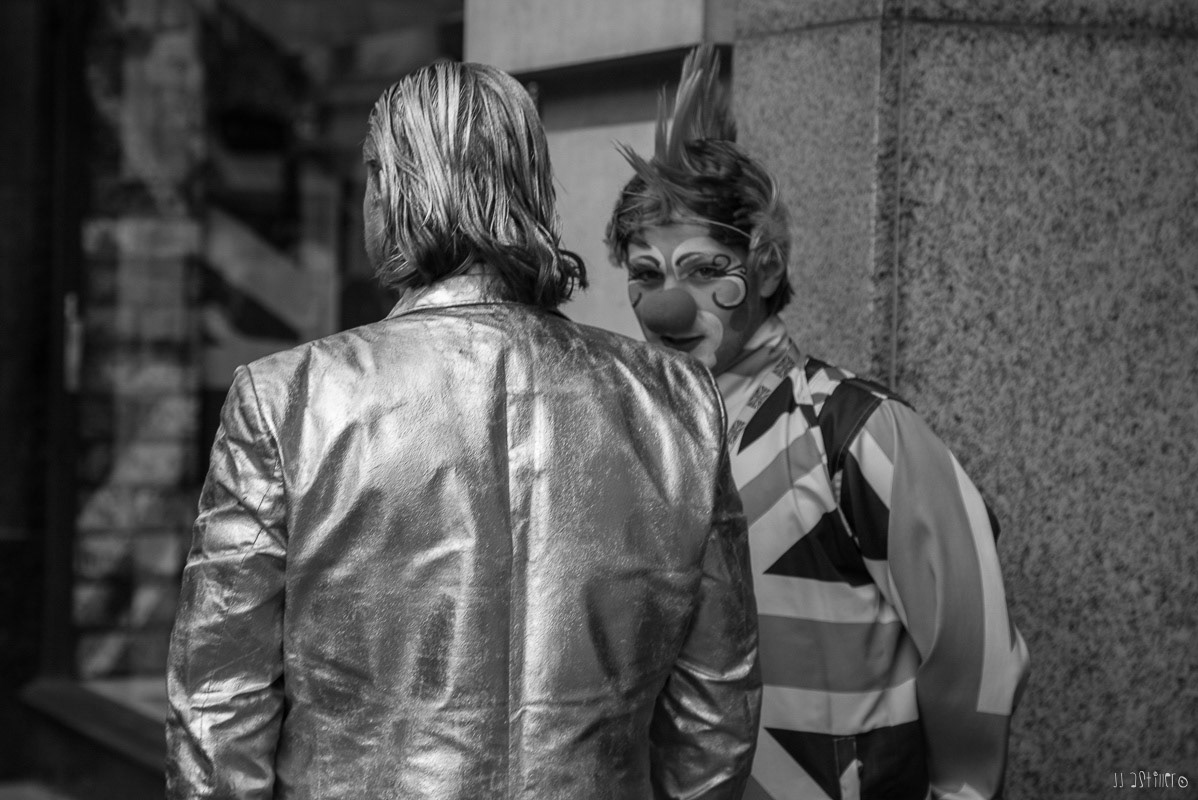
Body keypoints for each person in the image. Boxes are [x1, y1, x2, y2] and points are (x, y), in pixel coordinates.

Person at [167, 60, 761, 800]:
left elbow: (219, 708)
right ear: (531, 191)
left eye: (371, 177)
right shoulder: (678, 402)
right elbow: (714, 722)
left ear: (391, 188)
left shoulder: (288, 399)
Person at [605, 45, 1030, 800]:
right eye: (647, 275)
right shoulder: (632, 439)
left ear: (765, 268)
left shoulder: (858, 433)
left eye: (703, 270)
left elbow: (976, 649)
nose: (666, 306)